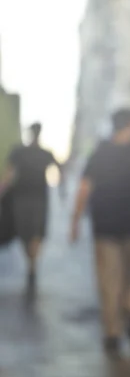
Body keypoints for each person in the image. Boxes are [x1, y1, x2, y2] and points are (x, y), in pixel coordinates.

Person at [70, 109, 130, 356]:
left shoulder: (100, 154)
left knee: (109, 281)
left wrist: (75, 221)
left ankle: (112, 332)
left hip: (105, 228)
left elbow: (84, 188)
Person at [0, 122, 64, 288]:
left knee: (26, 233)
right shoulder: (42, 153)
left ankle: (32, 263)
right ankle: (32, 264)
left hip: (24, 198)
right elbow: (59, 169)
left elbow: (9, 174)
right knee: (34, 233)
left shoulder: (20, 152)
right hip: (36, 198)